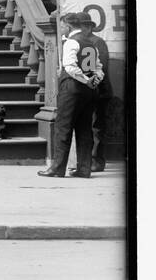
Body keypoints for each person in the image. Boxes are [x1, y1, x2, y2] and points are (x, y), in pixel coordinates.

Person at [38, 11, 105, 178]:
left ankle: (57, 169)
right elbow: (99, 68)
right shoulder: (91, 43)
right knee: (84, 129)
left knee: (63, 128)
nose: (60, 29)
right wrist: (93, 82)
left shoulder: (71, 42)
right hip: (89, 92)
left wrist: (84, 80)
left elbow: (70, 67)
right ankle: (84, 169)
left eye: (61, 26)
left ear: (68, 26)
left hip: (72, 89)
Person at [79, 15, 113, 172]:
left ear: (90, 27)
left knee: (97, 127)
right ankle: (87, 160)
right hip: (87, 91)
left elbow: (101, 68)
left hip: (100, 91)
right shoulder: (80, 42)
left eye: (84, 26)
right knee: (87, 126)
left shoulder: (97, 42)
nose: (82, 29)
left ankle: (97, 161)